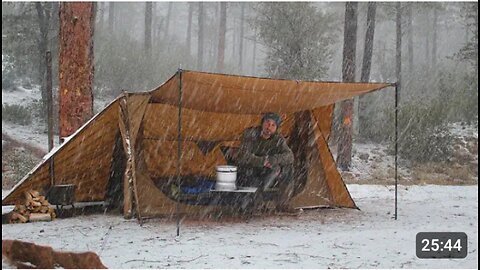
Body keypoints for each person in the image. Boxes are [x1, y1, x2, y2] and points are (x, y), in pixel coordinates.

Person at [236, 112, 295, 212]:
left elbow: (289, 156)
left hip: (269, 168)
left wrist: (273, 160)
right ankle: (256, 205)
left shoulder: (278, 139)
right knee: (250, 175)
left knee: (288, 169)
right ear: (262, 124)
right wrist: (262, 161)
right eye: (267, 123)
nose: (269, 127)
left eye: (273, 125)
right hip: (252, 167)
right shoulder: (251, 135)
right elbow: (243, 155)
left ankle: (283, 204)